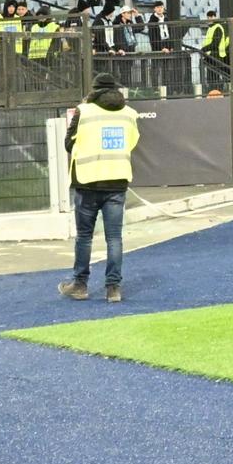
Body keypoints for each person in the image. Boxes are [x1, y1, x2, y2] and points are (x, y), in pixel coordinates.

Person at [58, 73, 139, 304]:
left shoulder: (84, 111)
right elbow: (132, 142)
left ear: (93, 90)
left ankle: (80, 285)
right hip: (117, 181)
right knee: (114, 237)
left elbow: (68, 144)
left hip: (87, 181)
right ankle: (113, 288)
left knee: (84, 236)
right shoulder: (130, 114)